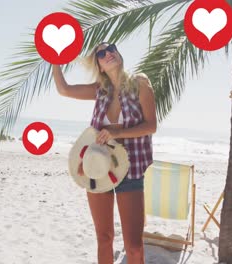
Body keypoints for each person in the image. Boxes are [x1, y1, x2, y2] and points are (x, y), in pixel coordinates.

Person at [52, 42, 157, 264]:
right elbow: (64, 89)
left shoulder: (140, 83)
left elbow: (151, 126)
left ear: (119, 54)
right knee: (104, 237)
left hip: (131, 170)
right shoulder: (100, 90)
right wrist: (53, 57)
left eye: (111, 48)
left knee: (134, 247)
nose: (108, 53)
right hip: (98, 169)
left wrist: (116, 130)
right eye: (101, 53)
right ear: (99, 66)